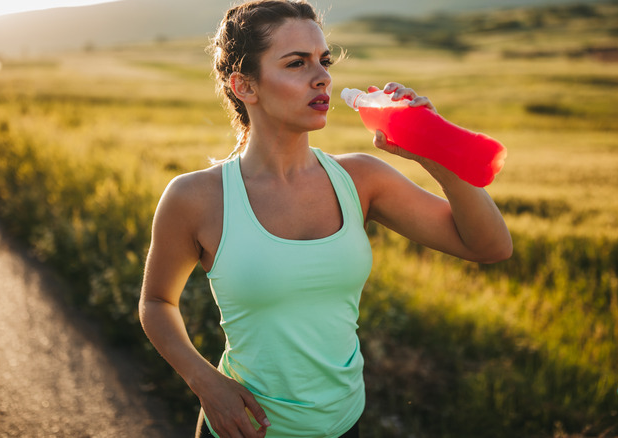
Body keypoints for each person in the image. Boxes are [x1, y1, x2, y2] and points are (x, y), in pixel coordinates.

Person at [138, 1, 513, 437]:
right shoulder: (196, 197)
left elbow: (490, 246)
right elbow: (156, 303)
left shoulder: (360, 178)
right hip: (243, 429)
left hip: (343, 425)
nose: (322, 78)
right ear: (244, 86)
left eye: (324, 60)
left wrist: (435, 149)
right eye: (296, 63)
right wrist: (205, 383)